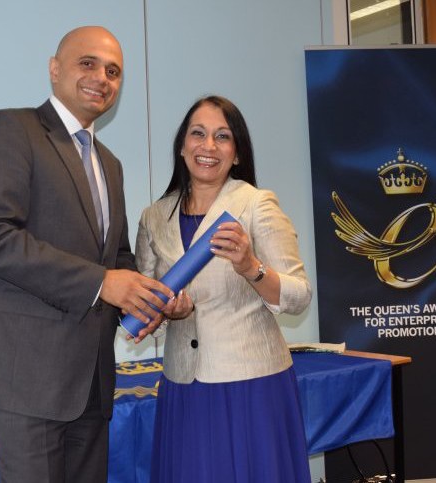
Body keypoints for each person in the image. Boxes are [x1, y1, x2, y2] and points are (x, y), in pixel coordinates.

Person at [0, 26, 178, 483]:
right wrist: (102, 283)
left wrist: (143, 301)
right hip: (27, 382)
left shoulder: (110, 164)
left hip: (92, 384)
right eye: (88, 63)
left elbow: (116, 258)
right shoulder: (11, 129)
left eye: (113, 71)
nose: (102, 78)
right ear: (54, 69)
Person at [135, 95, 313, 482]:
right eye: (198, 134)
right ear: (182, 146)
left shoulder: (257, 205)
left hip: (252, 385)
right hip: (184, 385)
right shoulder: (154, 217)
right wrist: (166, 314)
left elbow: (299, 296)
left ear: (237, 154)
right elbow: (146, 309)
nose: (209, 146)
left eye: (223, 136)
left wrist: (251, 267)